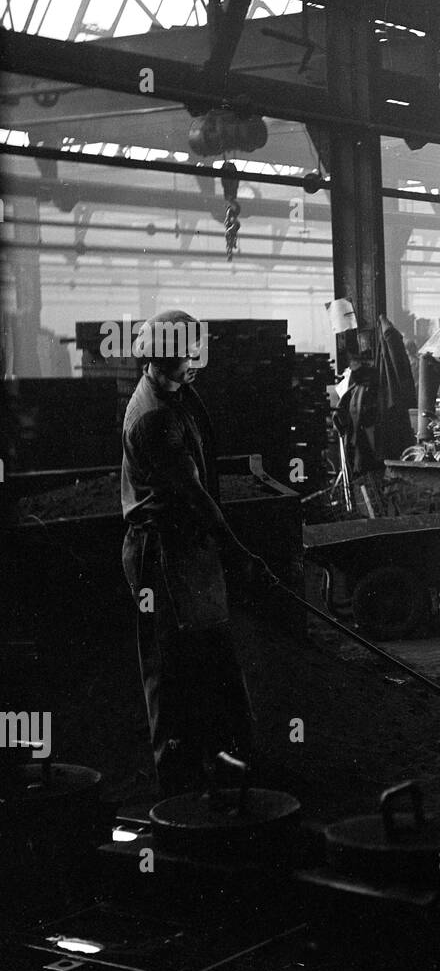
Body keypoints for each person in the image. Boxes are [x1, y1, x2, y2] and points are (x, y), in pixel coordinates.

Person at [120, 310, 272, 796]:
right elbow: (195, 498)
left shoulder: (181, 394)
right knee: (170, 676)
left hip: (190, 550)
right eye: (188, 357)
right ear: (162, 357)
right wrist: (241, 553)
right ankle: (179, 794)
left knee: (214, 662)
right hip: (160, 555)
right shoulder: (152, 418)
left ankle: (226, 771)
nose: (196, 366)